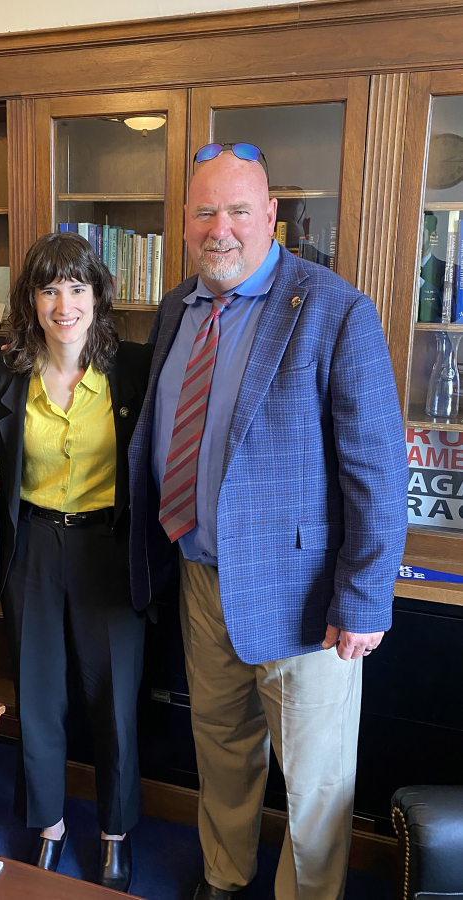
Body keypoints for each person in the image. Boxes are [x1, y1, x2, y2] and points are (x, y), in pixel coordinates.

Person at [128, 144, 408, 900]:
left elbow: (378, 470)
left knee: (315, 781)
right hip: (200, 575)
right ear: (184, 221)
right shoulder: (177, 308)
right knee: (221, 748)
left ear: (271, 216)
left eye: (238, 210)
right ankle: (225, 875)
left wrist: (364, 598)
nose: (221, 227)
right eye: (204, 211)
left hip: (304, 598)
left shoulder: (333, 308)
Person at [0, 231, 151, 892]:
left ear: (97, 295)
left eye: (77, 287)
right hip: (33, 546)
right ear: (31, 297)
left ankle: (116, 832)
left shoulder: (131, 369)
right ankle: (49, 825)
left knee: (114, 701)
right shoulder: (5, 370)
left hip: (107, 549)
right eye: (49, 287)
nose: (64, 302)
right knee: (40, 695)